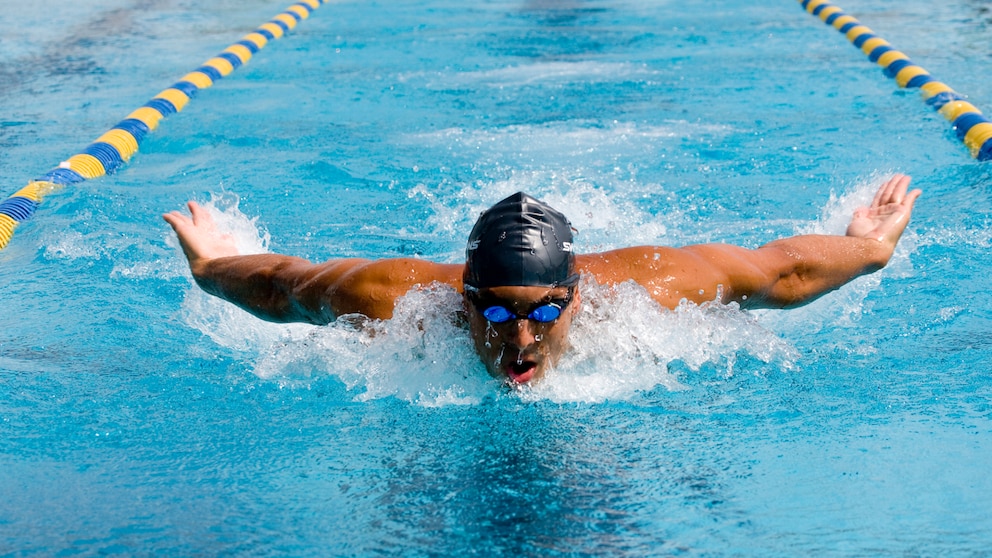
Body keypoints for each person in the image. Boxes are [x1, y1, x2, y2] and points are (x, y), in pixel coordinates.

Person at [164, 174, 921, 385]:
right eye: (493, 315)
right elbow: (284, 285)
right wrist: (211, 265)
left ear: (577, 294)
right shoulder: (401, 299)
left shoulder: (646, 291)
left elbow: (780, 271)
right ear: (460, 296)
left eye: (542, 314)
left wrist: (865, 248)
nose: (519, 344)